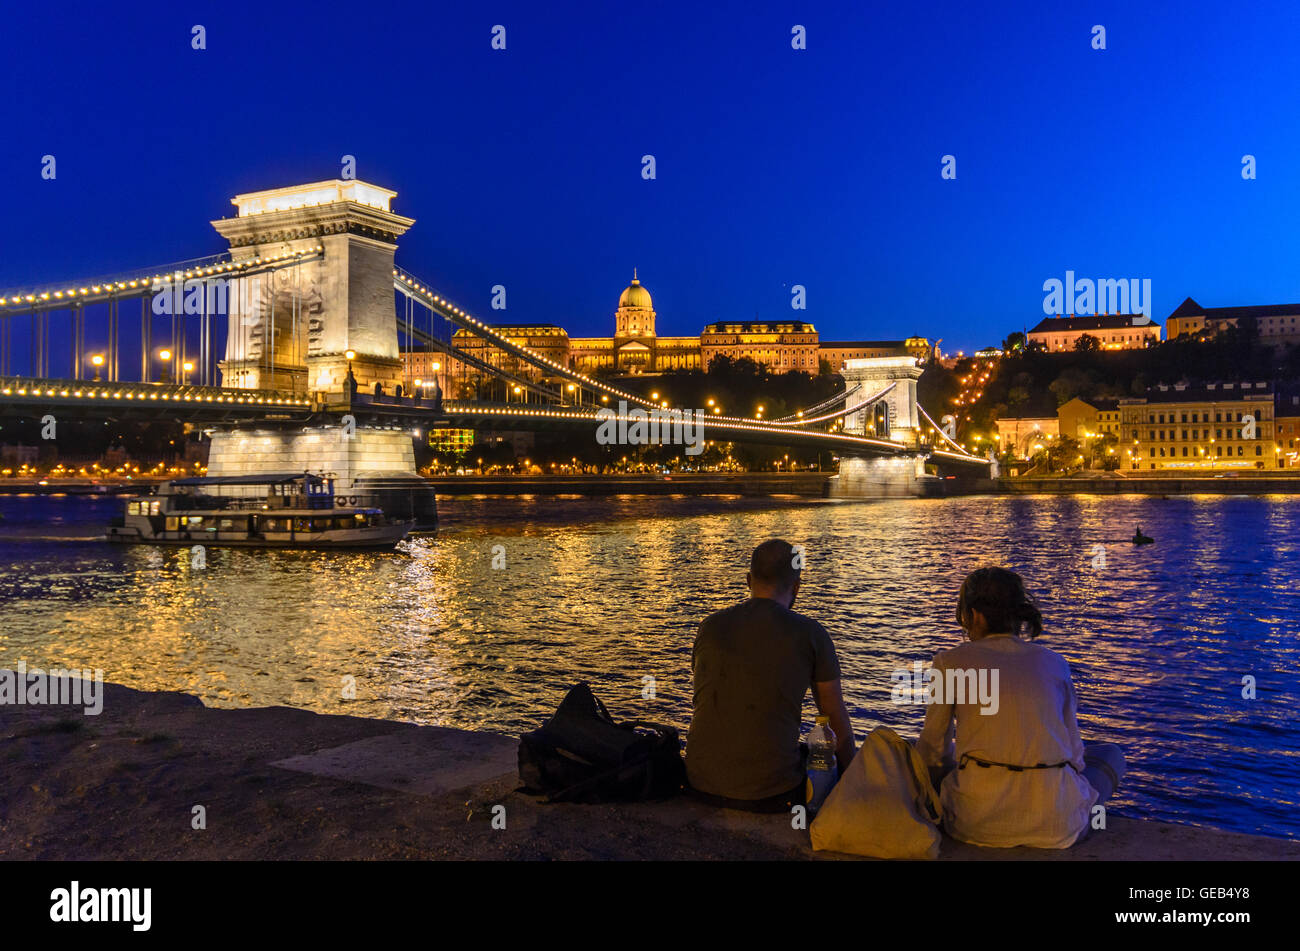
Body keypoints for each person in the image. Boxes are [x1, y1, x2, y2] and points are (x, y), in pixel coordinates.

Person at [916, 566, 1126, 848]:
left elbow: (933, 749)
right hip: (1056, 825)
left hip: (973, 822)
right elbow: (1075, 754)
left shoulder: (949, 663)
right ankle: (1076, 814)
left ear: (974, 615)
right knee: (1111, 754)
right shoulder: (1054, 662)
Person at [685, 539, 856, 812]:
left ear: (748, 580)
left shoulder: (710, 626)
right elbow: (834, 715)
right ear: (797, 587)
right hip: (772, 792)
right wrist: (854, 774)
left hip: (698, 781)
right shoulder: (811, 633)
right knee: (824, 760)